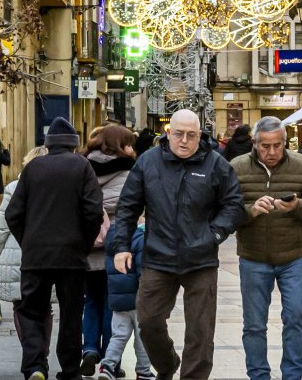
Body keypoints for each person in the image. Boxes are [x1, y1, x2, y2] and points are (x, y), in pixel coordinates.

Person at [109, 109, 244, 380]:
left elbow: (233, 205)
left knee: (200, 331)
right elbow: (127, 207)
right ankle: (168, 363)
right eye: (179, 134)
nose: (184, 141)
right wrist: (122, 245)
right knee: (148, 322)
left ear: (200, 135)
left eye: (191, 135)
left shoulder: (216, 164)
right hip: (158, 258)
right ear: (168, 133)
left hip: (201, 260)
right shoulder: (148, 162)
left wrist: (214, 235)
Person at [6, 117, 104, 380]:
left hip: (36, 256)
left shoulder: (33, 168)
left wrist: (28, 241)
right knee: (71, 314)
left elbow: (13, 214)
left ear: (47, 145)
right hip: (71, 256)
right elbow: (94, 212)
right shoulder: (82, 167)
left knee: (31, 311)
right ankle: (70, 370)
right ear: (74, 145)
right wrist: (83, 243)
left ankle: (35, 366)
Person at [230, 117, 302, 380]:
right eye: (265, 146)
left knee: (295, 317)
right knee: (254, 324)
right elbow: (224, 211)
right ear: (255, 143)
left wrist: (297, 206)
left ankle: (292, 375)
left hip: (293, 256)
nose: (271, 152)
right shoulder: (236, 168)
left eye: (277, 145)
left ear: (285, 142)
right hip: (253, 256)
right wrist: (250, 211)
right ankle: (258, 375)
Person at [81, 124, 138, 375]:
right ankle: (107, 359)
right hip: (116, 245)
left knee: (90, 300)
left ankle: (89, 348)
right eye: (129, 143)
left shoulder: (82, 167)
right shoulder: (129, 172)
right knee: (110, 303)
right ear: (119, 145)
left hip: (87, 243)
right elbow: (130, 203)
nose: (132, 148)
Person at [0, 147, 47, 313]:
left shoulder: (13, 187)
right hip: (47, 250)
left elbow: (2, 224)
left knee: (19, 304)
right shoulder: (56, 187)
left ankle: (26, 339)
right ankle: (42, 340)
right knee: (44, 307)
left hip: (15, 248)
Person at [98, 223, 153, 380]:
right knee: (143, 337)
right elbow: (143, 272)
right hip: (137, 299)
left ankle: (107, 366)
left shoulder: (112, 239)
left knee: (118, 335)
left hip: (118, 299)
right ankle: (143, 371)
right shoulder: (140, 239)